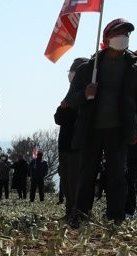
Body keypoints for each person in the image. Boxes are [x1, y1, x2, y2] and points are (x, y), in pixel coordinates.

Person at [66, 18, 137, 227]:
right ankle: (81, 216)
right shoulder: (88, 68)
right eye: (119, 33)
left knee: (117, 175)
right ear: (106, 38)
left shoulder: (135, 68)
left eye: (127, 34)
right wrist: (85, 93)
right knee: (87, 174)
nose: (123, 38)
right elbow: (71, 100)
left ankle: (115, 217)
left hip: (119, 130)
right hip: (91, 129)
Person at [54, 58, 86, 218]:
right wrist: (62, 107)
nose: (71, 73)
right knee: (66, 182)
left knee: (74, 182)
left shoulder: (86, 95)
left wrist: (65, 107)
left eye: (74, 70)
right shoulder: (70, 93)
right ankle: (69, 211)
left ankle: (76, 212)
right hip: (64, 144)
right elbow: (58, 117)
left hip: (77, 144)